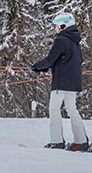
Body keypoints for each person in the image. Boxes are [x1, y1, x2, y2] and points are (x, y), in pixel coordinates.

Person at [30, 12, 88, 151]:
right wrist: (49, 67)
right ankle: (81, 141)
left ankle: (57, 141)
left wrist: (37, 67)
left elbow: (51, 59)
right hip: (73, 81)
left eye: (56, 26)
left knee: (54, 109)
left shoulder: (61, 39)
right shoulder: (75, 40)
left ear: (63, 26)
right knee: (71, 109)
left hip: (61, 83)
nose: (55, 29)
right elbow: (65, 60)